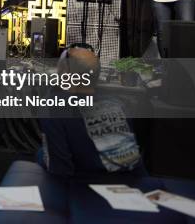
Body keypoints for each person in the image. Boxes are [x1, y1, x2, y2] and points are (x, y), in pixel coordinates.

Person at [38, 46, 144, 177]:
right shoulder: (119, 104)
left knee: (40, 153)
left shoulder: (53, 107)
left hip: (86, 185)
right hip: (132, 180)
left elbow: (59, 169)